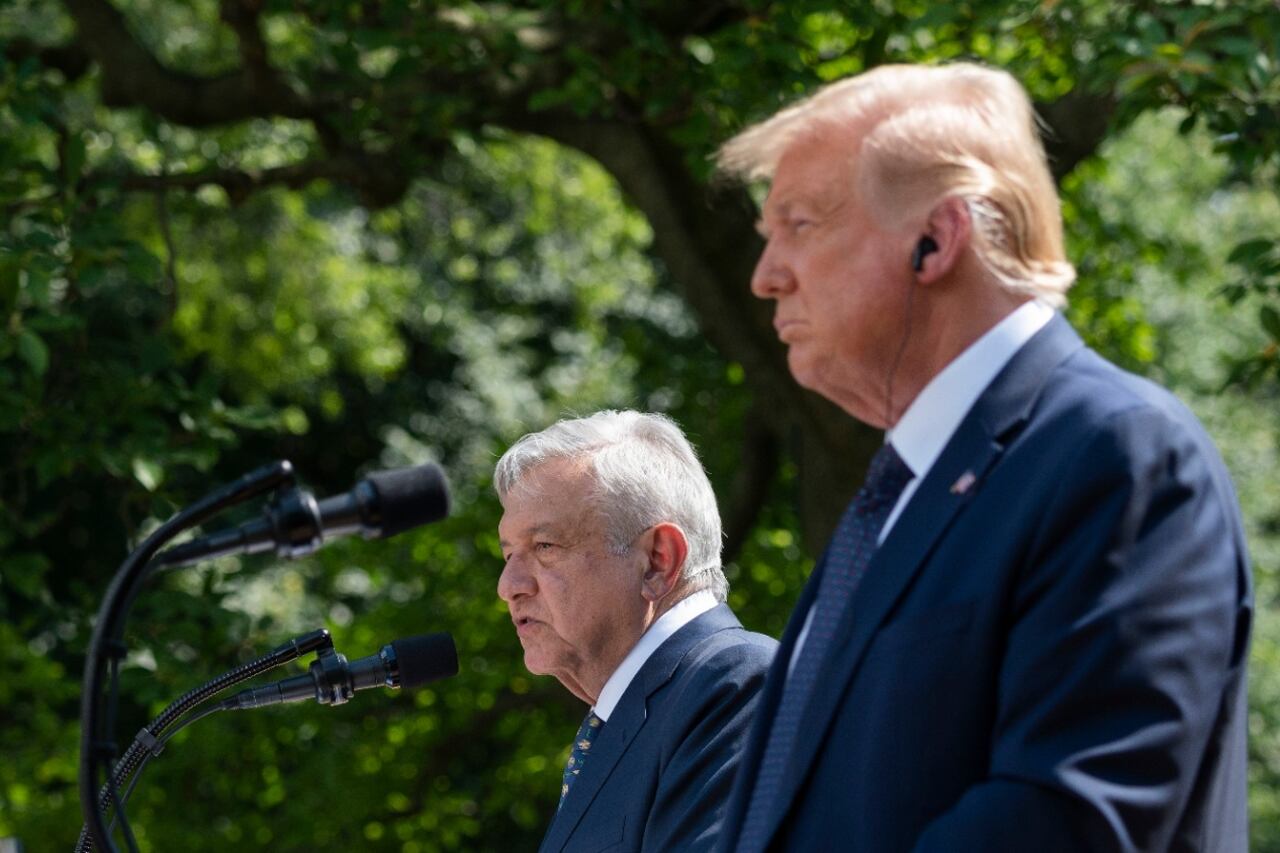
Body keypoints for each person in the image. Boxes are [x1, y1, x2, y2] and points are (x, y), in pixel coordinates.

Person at [712, 62, 1252, 852]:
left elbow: (1061, 822)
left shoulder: (1118, 455)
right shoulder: (899, 493)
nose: (765, 277)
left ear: (937, 238)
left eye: (799, 224)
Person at [495, 410, 777, 853]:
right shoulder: (628, 717)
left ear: (657, 560)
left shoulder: (737, 684)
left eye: (545, 547)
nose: (508, 587)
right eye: (509, 554)